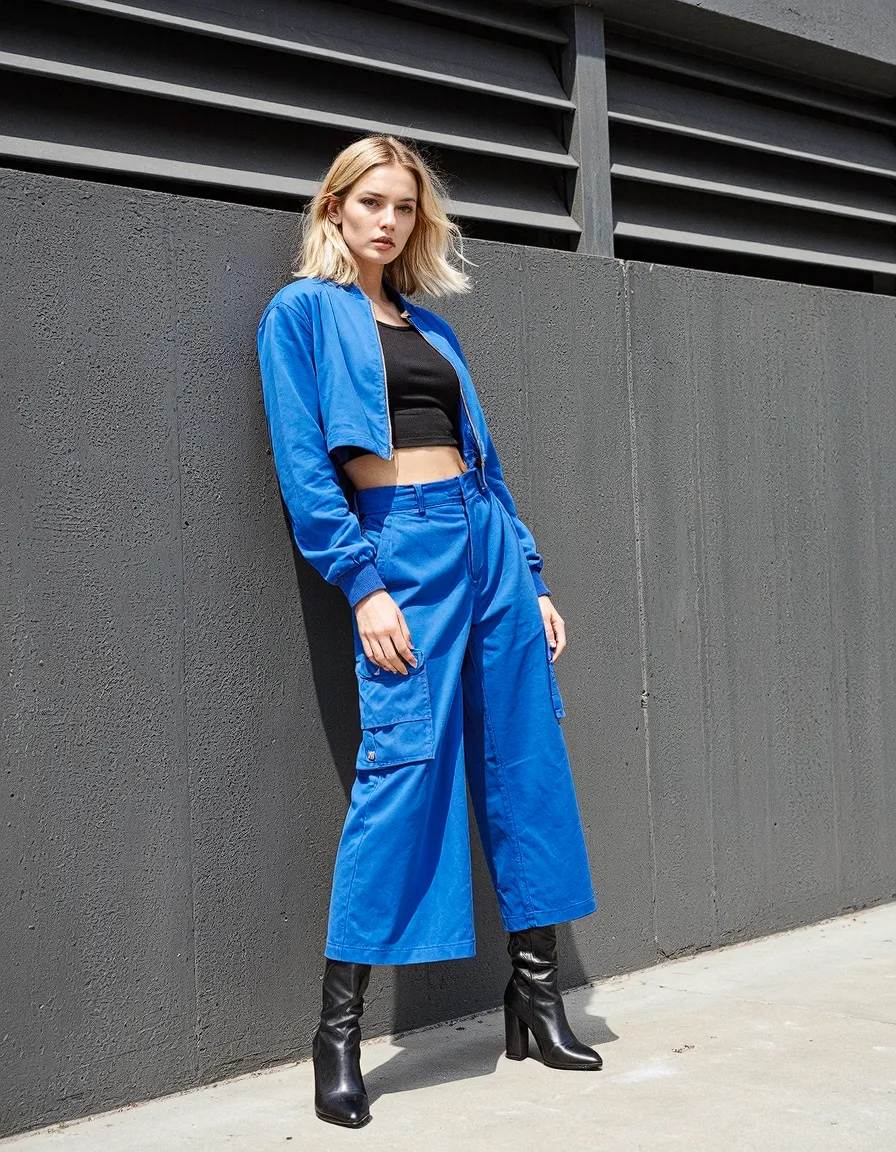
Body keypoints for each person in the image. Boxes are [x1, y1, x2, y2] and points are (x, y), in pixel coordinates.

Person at [257, 134, 601, 1129]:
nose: (386, 220)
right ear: (332, 209)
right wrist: (360, 584)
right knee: (401, 772)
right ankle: (338, 1032)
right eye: (368, 201)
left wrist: (527, 575)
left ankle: (532, 999)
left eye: (402, 206)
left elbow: (482, 465)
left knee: (525, 762)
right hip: (396, 555)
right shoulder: (301, 317)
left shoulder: (431, 332)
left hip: (483, 544)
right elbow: (304, 467)